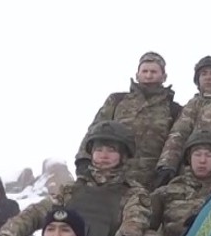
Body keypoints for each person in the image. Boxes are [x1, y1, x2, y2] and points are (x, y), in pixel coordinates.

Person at [0, 122, 149, 236]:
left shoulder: (132, 192)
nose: (104, 155)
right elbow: (35, 213)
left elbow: (134, 221)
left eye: (111, 150)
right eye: (99, 150)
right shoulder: (70, 190)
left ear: (124, 155)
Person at [78, 52, 182, 187]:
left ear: (164, 76)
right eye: (144, 71)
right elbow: (95, 129)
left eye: (153, 72)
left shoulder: (173, 109)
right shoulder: (117, 100)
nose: (148, 75)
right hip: (110, 175)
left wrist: (166, 169)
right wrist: (83, 159)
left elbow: (175, 140)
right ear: (137, 75)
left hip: (152, 179)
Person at [138, 131, 211, 236]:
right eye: (197, 154)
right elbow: (143, 222)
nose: (202, 160)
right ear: (188, 158)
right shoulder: (168, 191)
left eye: (209, 155)